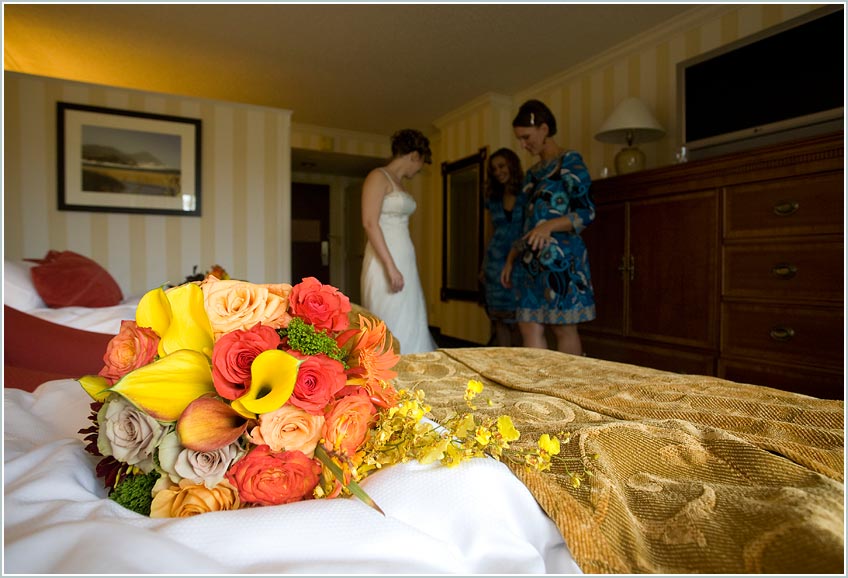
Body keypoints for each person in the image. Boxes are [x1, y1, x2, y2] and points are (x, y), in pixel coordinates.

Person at [500, 100, 596, 355]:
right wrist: (511, 258)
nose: (523, 145)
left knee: (563, 328)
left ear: (544, 129)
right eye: (519, 139)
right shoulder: (531, 174)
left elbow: (587, 211)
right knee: (528, 326)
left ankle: (566, 380)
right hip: (530, 263)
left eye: (526, 137)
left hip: (562, 261)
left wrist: (550, 225)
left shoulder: (570, 161)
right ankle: (537, 379)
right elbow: (523, 223)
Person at [360, 128, 437, 354]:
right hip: (384, 261)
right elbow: (370, 223)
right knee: (388, 315)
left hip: (404, 259)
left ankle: (412, 365)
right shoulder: (378, 177)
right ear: (414, 156)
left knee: (410, 315)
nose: (419, 168)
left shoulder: (398, 182)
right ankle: (387, 368)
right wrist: (390, 267)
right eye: (421, 162)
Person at [481, 148, 524, 347]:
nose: (498, 172)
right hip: (495, 263)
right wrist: (484, 266)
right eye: (494, 169)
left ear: (512, 165)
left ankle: (520, 362)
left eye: (501, 166)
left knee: (520, 318)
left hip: (521, 261)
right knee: (498, 318)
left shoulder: (526, 193)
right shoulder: (493, 198)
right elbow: (490, 232)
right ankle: (503, 359)